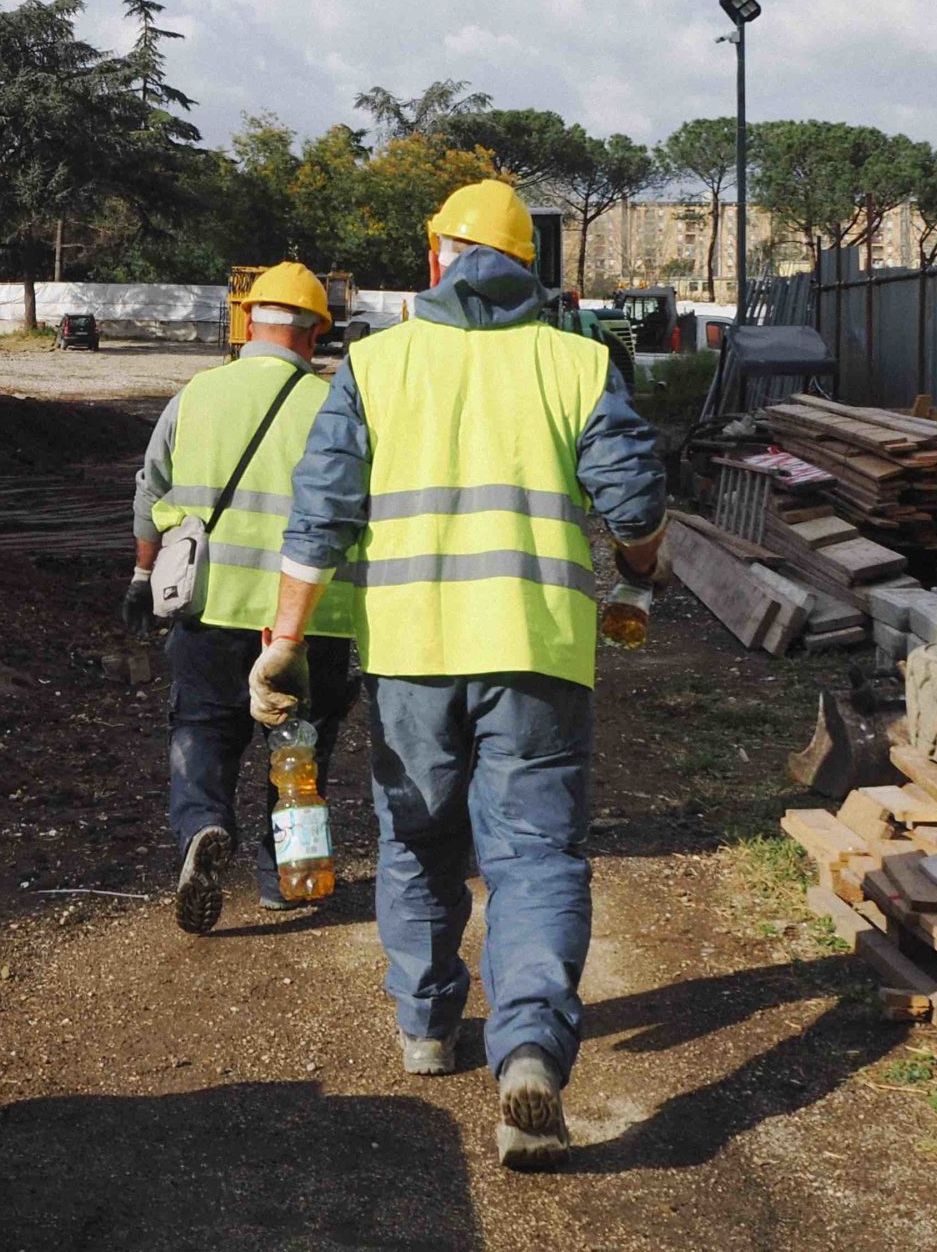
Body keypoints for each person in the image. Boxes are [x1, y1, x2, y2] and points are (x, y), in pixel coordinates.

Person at [253, 179, 667, 1170]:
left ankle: (429, 1030)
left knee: (417, 845)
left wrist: (283, 639)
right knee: (535, 858)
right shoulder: (576, 362)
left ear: (438, 258)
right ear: (528, 266)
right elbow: (636, 501)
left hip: (410, 660)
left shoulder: (376, 364)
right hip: (537, 655)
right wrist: (638, 572)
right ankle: (525, 1048)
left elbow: (320, 517)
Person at [127, 261, 362, 935]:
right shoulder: (334, 407)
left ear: (249, 321)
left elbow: (151, 491)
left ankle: (203, 826)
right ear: (317, 332)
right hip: (307, 617)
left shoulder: (197, 394)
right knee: (298, 744)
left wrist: (143, 577)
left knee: (202, 726)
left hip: (210, 605)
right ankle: (281, 875)